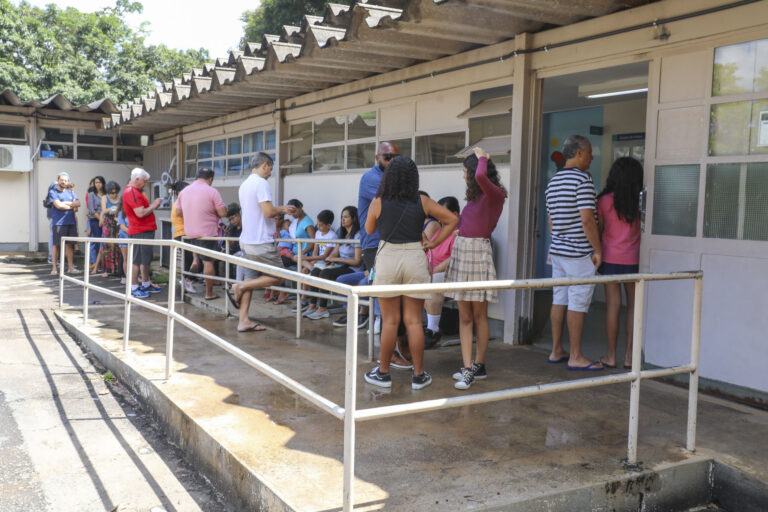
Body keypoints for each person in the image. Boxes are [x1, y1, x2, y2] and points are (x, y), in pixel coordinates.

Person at [363, 156, 457, 390]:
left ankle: (383, 374)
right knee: (414, 321)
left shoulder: (379, 201)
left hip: (388, 259)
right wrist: (434, 244)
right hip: (415, 257)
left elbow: (369, 229)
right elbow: (452, 219)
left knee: (390, 321)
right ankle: (418, 375)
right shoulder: (422, 201)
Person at [445, 148, 508, 390]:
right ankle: (468, 365)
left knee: (479, 314)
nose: (464, 177)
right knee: (465, 315)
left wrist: (483, 156)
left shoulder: (496, 195)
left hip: (478, 252)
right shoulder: (474, 198)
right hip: (463, 251)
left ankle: (477, 366)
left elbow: (482, 177)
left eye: (465, 172)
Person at [545, 135, 603, 371]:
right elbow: (588, 220)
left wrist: (561, 237)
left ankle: (556, 349)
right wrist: (597, 249)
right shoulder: (583, 180)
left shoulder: (553, 182)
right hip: (579, 252)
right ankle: (576, 356)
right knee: (577, 302)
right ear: (579, 153)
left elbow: (551, 222)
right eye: (589, 152)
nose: (592, 157)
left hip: (557, 251)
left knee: (559, 298)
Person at [227, 153, 297, 332]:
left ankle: (243, 320)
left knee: (251, 278)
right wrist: (281, 209)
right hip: (261, 241)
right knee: (279, 276)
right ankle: (239, 286)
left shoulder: (245, 184)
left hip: (246, 241)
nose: (270, 174)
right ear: (265, 165)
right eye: (270, 169)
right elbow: (267, 212)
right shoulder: (261, 183)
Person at [597, 157, 643, 369]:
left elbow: (600, 229)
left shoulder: (604, 201)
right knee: (633, 306)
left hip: (610, 258)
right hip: (633, 259)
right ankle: (629, 357)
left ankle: (611, 355)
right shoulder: (639, 200)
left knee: (613, 306)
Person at [351, 141, 399, 330]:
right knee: (380, 283)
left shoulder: (392, 179)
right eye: (387, 157)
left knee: (388, 285)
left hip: (391, 241)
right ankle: (379, 323)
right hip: (374, 243)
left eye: (396, 159)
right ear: (377, 157)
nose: (391, 162)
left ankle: (383, 324)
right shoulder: (371, 178)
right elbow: (394, 202)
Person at [176, 168, 227, 300]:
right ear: (210, 179)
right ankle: (209, 293)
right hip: (207, 233)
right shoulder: (212, 191)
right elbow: (222, 213)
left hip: (189, 233)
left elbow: (178, 213)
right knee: (208, 262)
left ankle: (195, 260)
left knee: (195, 255)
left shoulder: (184, 192)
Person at [305, 207, 361, 320]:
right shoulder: (342, 233)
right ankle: (312, 305)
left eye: (346, 217)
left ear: (354, 219)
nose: (342, 220)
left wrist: (337, 260)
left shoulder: (357, 235)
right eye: (342, 217)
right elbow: (334, 253)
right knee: (315, 271)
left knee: (325, 274)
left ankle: (322, 309)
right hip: (340, 265)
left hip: (353, 268)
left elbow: (357, 261)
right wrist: (330, 260)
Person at [423, 196, 460, 348]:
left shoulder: (459, 232)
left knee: (433, 282)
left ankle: (433, 330)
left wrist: (433, 271)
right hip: (432, 271)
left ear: (455, 214)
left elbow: (454, 258)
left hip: (452, 273)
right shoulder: (439, 231)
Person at [123, 168, 163, 298]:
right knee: (137, 260)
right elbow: (140, 213)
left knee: (144, 259)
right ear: (137, 179)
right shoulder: (131, 192)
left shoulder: (133, 192)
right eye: (144, 181)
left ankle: (145, 283)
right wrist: (154, 205)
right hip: (139, 230)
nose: (145, 184)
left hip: (144, 230)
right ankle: (134, 287)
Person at [49, 172, 81, 275]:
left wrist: (65, 204)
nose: (64, 182)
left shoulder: (70, 192)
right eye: (62, 180)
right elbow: (58, 206)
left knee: (70, 245)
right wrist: (71, 205)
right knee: (56, 245)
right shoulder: (53, 192)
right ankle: (54, 268)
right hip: (59, 223)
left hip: (71, 222)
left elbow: (78, 203)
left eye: (66, 180)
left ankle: (70, 267)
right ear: (58, 180)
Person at [170, 181, 198, 293]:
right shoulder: (180, 203)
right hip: (183, 234)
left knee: (190, 260)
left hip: (182, 234)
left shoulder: (179, 202)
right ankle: (187, 281)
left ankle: (187, 281)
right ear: (180, 192)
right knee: (191, 260)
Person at [100, 181, 122, 277]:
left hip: (117, 222)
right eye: (112, 192)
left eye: (116, 192)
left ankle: (116, 269)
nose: (114, 194)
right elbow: (104, 211)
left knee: (117, 246)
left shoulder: (120, 198)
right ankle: (106, 269)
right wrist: (111, 208)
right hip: (107, 222)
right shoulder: (104, 198)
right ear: (108, 192)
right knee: (107, 245)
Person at [85, 176, 106, 273]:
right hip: (95, 221)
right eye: (96, 182)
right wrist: (101, 219)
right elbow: (92, 211)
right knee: (97, 243)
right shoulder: (91, 194)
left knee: (106, 244)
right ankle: (97, 264)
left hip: (107, 221)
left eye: (100, 182)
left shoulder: (106, 194)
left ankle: (105, 264)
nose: (98, 184)